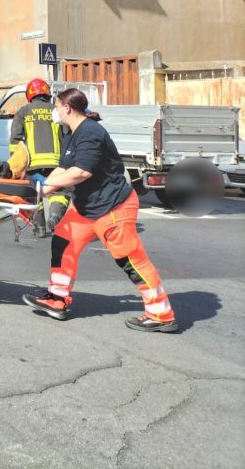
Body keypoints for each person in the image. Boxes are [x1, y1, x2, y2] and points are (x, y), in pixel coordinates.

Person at [23, 88, 178, 333]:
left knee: (131, 260)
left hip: (112, 207)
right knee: (62, 242)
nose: (54, 110)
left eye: (56, 106)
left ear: (67, 108)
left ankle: (161, 314)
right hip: (86, 208)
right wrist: (38, 190)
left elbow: (81, 172)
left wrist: (45, 186)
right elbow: (64, 169)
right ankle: (57, 298)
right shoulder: (72, 133)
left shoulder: (91, 132)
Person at [10, 78, 69, 238]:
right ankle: (55, 216)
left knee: (34, 194)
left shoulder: (23, 112)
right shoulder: (56, 110)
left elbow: (15, 140)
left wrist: (15, 166)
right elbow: (66, 135)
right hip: (55, 163)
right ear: (47, 93)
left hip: (32, 165)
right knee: (60, 191)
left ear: (29, 95)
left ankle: (39, 228)